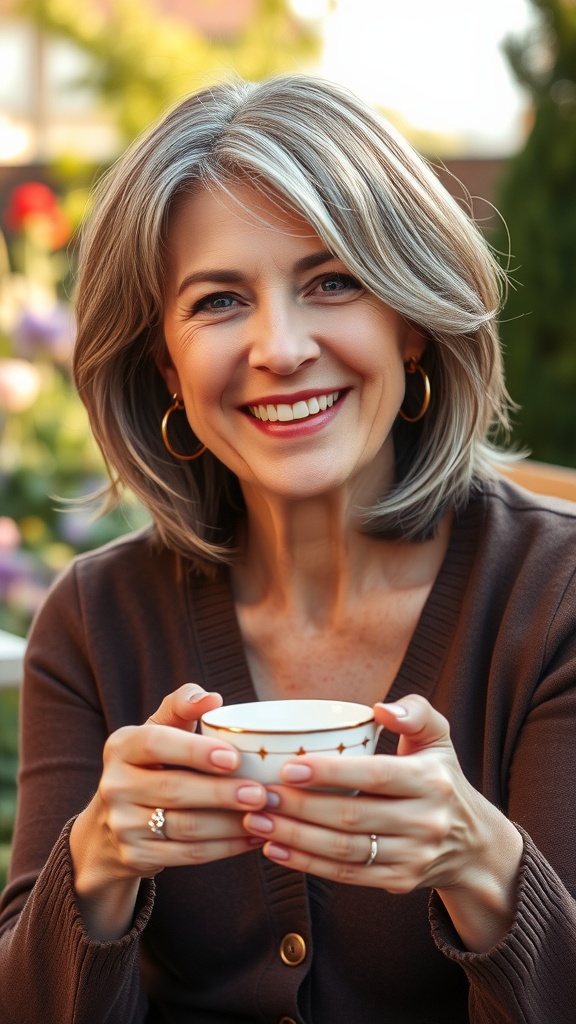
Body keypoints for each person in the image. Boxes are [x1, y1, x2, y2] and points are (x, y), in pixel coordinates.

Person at [0, 73, 575, 1024]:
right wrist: (96, 864)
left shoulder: (554, 599)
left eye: (332, 281)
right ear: (166, 364)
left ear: (412, 322)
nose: (280, 347)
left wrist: (486, 869)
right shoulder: (94, 620)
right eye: (220, 300)